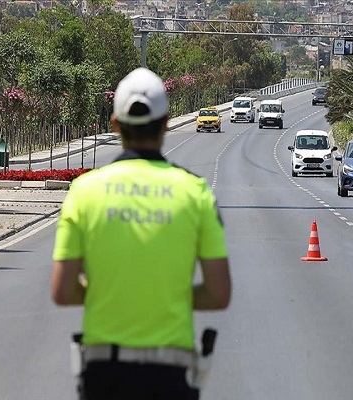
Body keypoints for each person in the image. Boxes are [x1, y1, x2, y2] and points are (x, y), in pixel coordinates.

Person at [51, 67, 232, 400]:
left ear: (115, 124)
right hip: (170, 375)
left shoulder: (84, 191)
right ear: (166, 124)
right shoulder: (195, 193)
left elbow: (62, 290)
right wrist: (167, 294)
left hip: (103, 374)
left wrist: (108, 291)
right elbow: (219, 293)